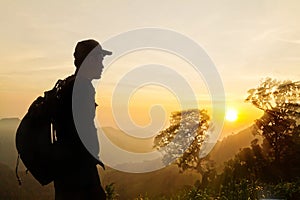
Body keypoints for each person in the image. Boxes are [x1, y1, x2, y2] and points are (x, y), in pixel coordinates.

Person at [52, 39, 112, 200]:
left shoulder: (68, 84)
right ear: (91, 59)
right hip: (79, 171)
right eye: (100, 59)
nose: (102, 65)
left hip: (66, 169)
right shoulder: (82, 87)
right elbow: (82, 130)